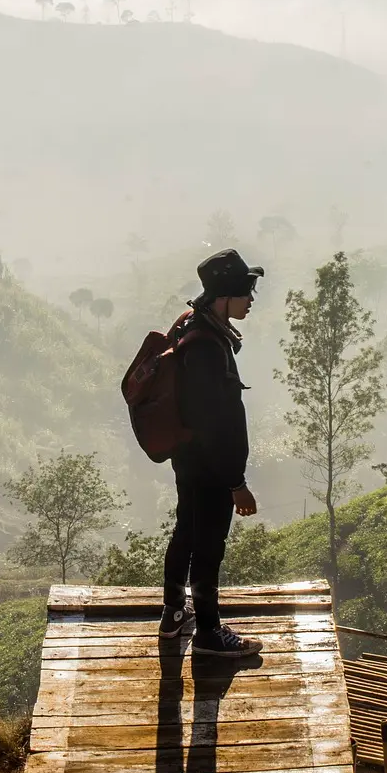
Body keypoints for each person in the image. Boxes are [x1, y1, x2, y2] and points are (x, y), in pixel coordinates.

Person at [159, 248, 265, 657]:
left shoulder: (195, 324)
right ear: (225, 296)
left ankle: (173, 615)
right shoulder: (205, 347)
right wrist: (235, 482)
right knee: (208, 545)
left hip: (189, 459)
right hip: (210, 466)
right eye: (245, 292)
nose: (251, 300)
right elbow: (214, 424)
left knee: (186, 530)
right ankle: (208, 632)